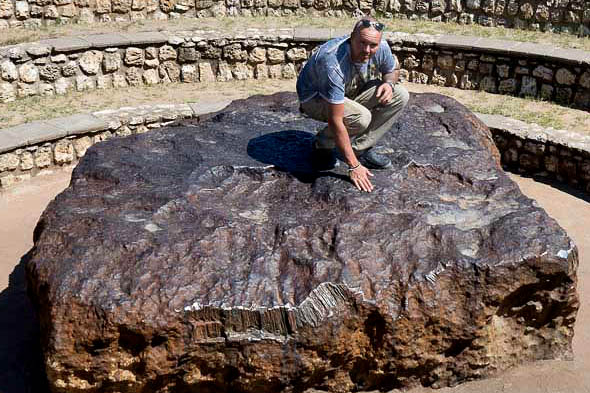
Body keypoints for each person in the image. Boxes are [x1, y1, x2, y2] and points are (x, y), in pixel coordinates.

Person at [297, 17, 409, 193]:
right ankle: (322, 144)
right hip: (315, 99)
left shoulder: (380, 46)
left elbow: (392, 70)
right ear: (351, 38)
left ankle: (359, 149)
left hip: (349, 88)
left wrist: (389, 84)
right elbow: (336, 120)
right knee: (361, 118)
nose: (367, 50)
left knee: (400, 94)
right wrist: (354, 167)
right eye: (362, 43)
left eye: (372, 45)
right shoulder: (332, 62)